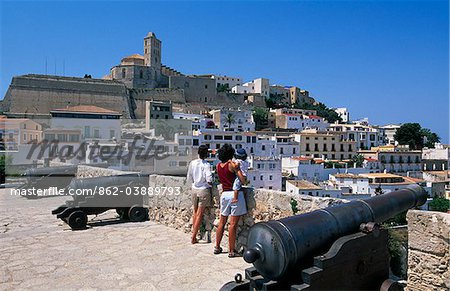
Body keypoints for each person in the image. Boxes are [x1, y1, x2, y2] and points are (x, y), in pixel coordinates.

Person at [214, 144, 247, 257]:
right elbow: (242, 181)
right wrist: (238, 169)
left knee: (222, 222)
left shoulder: (218, 166)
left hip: (224, 194)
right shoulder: (231, 165)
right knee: (233, 224)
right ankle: (231, 251)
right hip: (234, 195)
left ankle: (217, 246)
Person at [186, 145, 212, 244]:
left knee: (195, 212)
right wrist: (209, 184)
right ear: (206, 154)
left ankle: (194, 234)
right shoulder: (206, 165)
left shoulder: (192, 163)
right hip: (203, 190)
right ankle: (193, 237)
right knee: (199, 214)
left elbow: (189, 177)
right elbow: (209, 178)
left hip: (194, 189)